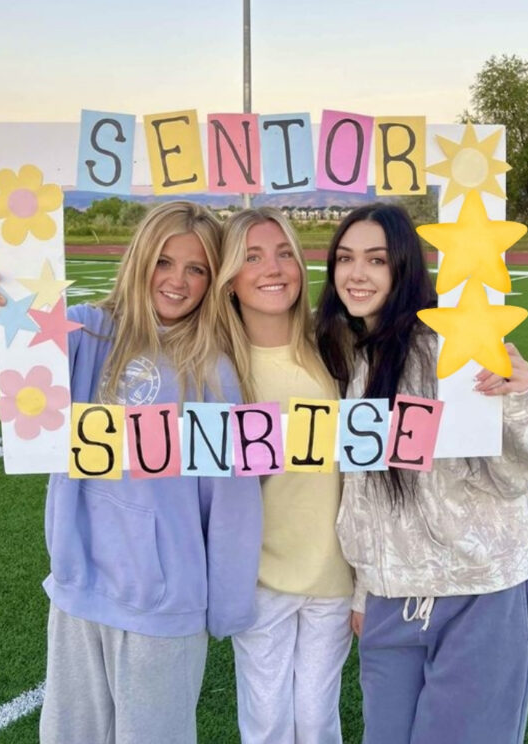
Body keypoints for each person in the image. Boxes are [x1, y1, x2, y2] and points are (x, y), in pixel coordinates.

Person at [0, 201, 263, 744]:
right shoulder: (89, 332)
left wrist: (228, 603)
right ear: (140, 259)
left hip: (164, 607)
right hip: (78, 589)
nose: (177, 281)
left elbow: (232, 498)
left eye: (197, 269)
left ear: (213, 281)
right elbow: (21, 374)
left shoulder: (215, 369)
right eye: (164, 261)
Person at [314, 202, 528, 744]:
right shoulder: (341, 357)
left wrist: (518, 398)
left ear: (404, 268)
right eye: (345, 258)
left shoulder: (451, 350)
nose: (357, 274)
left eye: (376, 260)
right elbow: (359, 494)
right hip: (389, 600)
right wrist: (365, 590)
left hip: (481, 592)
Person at [216, 208, 353, 744]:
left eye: (283, 253)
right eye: (252, 256)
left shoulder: (337, 345)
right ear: (229, 278)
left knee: (318, 720)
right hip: (258, 578)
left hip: (334, 570)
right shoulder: (214, 362)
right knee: (268, 721)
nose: (273, 268)